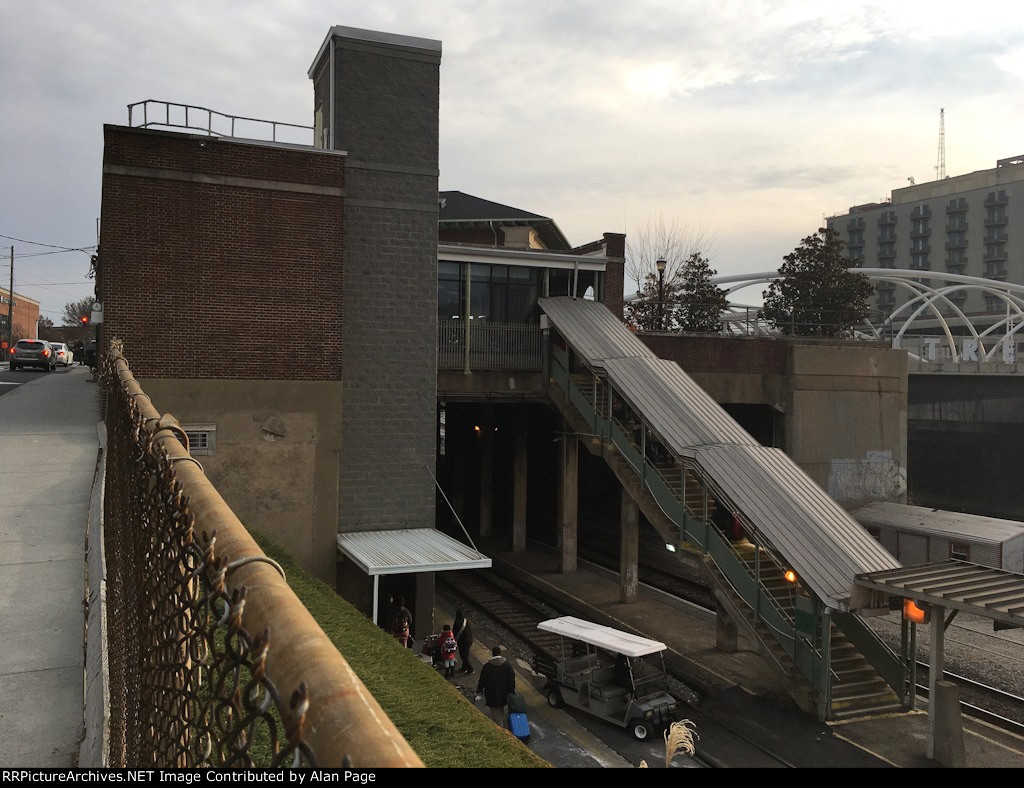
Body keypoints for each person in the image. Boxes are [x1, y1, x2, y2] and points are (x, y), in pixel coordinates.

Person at [476, 645, 516, 724]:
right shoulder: (507, 665)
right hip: (504, 693)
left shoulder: (487, 666)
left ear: (492, 654)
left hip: (492, 694)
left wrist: (479, 691)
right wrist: (512, 691)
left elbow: (482, 680)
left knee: (496, 713)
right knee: (501, 709)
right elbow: (511, 680)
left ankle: (501, 730)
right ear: (500, 653)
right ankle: (501, 723)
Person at [452, 609, 474, 674]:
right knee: (466, 654)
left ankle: (470, 668)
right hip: (469, 640)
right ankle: (464, 668)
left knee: (463, 656)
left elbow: (454, 632)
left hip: (462, 642)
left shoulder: (457, 621)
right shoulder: (467, 621)